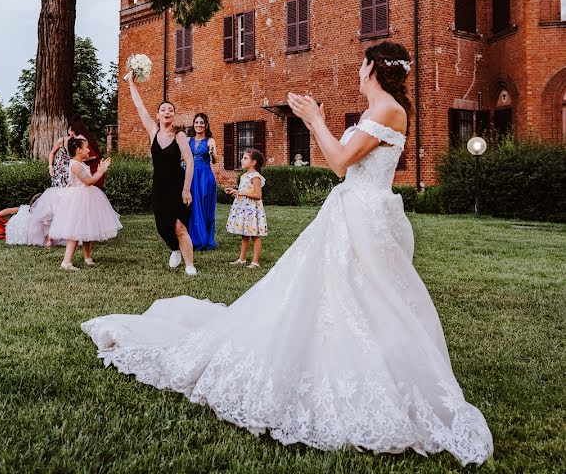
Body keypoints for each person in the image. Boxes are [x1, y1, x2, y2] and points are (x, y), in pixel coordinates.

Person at [81, 41, 493, 466]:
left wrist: (315, 119)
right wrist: (313, 122)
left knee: (372, 297)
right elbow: (346, 163)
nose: (356, 70)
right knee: (332, 295)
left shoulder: (388, 109)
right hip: (353, 211)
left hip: (366, 216)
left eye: (360, 64)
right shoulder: (376, 112)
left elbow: (338, 163)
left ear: (372, 67)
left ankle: (380, 370)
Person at [126, 73, 196, 275]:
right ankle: (174, 249)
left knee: (180, 227)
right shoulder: (153, 132)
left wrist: (186, 189)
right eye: (163, 109)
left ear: (174, 115)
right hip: (159, 187)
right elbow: (139, 106)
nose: (167, 112)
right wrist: (131, 81)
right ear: (157, 115)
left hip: (177, 186)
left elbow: (190, 162)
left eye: (171, 110)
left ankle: (190, 265)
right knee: (162, 227)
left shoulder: (180, 135)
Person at [48, 137, 121, 271]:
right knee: (75, 231)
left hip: (86, 197)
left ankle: (87, 257)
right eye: (86, 147)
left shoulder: (80, 163)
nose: (88, 150)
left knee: (88, 227)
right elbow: (88, 181)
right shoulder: (75, 165)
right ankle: (66, 262)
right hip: (78, 199)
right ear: (79, 150)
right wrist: (100, 172)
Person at [225, 148, 268, 268]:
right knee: (244, 234)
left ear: (253, 162)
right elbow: (243, 190)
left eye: (245, 158)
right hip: (244, 209)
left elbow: (258, 195)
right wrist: (235, 191)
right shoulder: (244, 175)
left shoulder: (255, 177)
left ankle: (255, 262)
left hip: (252, 210)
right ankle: (242, 259)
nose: (241, 160)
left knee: (255, 235)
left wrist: (241, 193)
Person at [187, 113, 217, 250]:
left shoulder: (210, 141)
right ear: (193, 124)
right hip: (191, 176)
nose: (199, 125)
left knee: (205, 207)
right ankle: (192, 239)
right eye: (196, 122)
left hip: (205, 177)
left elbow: (215, 161)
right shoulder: (188, 140)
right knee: (191, 207)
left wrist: (211, 153)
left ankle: (205, 239)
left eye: (201, 123)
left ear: (206, 125)